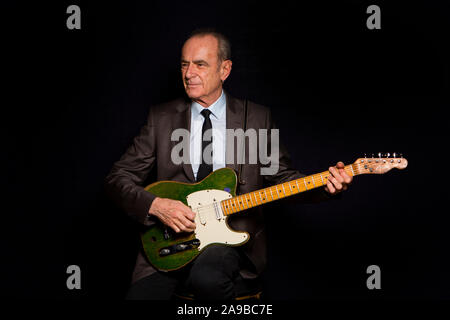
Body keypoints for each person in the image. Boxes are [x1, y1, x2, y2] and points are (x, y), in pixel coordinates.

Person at [105, 29, 353, 300]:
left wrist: (326, 187)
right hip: (166, 243)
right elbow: (118, 178)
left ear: (225, 70)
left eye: (200, 64)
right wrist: (156, 206)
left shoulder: (256, 118)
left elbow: (281, 178)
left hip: (227, 243)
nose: (189, 73)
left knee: (208, 279)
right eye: (184, 64)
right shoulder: (161, 118)